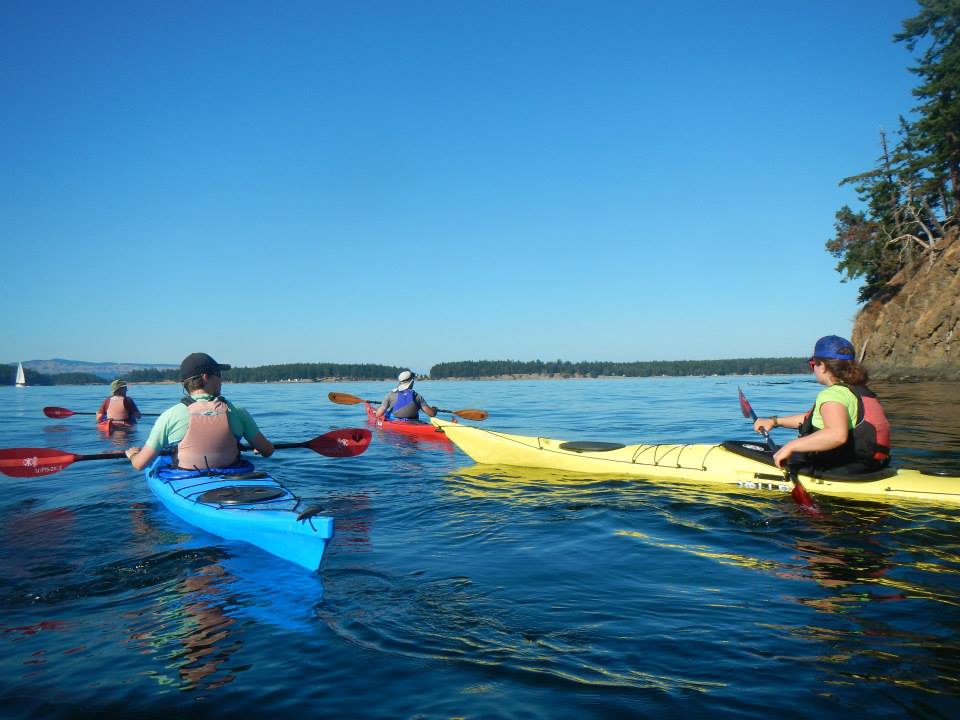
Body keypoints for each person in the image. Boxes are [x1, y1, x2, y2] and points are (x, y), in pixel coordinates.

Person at [753, 335, 891, 474]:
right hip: (872, 466)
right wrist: (775, 421)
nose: (813, 369)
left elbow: (836, 435)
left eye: (813, 364)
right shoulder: (856, 390)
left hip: (843, 469)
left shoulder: (833, 395)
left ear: (823, 366)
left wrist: (791, 446)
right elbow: (812, 420)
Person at [124, 352, 275, 471]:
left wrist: (133, 455)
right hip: (233, 478)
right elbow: (267, 451)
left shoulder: (169, 416)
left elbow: (140, 465)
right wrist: (259, 447)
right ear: (206, 377)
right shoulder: (238, 412)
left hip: (187, 481)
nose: (221, 380)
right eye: (219, 375)